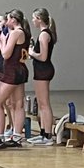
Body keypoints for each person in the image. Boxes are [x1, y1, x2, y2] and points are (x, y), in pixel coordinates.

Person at [0, 10, 30, 149]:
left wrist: (1, 40)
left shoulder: (15, 33)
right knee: (18, 104)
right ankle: (17, 137)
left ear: (13, 20)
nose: (6, 21)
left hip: (11, 70)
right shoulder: (25, 32)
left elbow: (6, 54)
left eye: (8, 19)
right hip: (21, 69)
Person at [28, 8, 58, 146]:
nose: (33, 20)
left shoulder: (44, 35)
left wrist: (32, 53)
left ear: (39, 19)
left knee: (44, 104)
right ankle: (43, 133)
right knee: (41, 103)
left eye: (34, 18)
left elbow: (43, 57)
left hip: (43, 70)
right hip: (40, 70)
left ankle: (48, 135)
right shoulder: (42, 34)